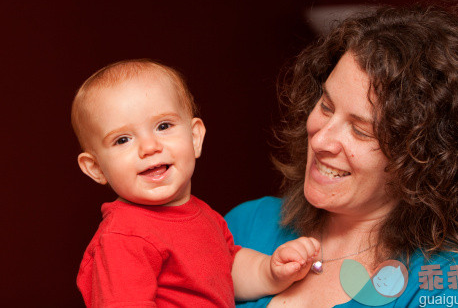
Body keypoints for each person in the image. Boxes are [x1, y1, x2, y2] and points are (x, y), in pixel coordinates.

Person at [226, 3, 458, 307]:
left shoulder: (456, 281)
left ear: (420, 158)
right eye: (326, 106)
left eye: (360, 130)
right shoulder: (246, 225)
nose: (321, 140)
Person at [71, 59, 321, 307]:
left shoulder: (205, 216)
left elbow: (227, 272)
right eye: (123, 140)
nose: (149, 147)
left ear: (195, 138)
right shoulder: (124, 236)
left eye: (163, 126)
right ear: (96, 168)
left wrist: (270, 271)